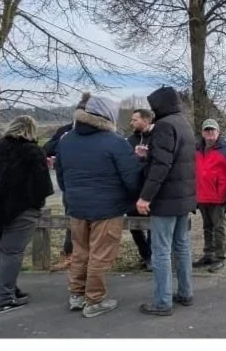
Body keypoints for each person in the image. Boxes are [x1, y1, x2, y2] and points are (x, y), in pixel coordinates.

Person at [55, 94, 143, 319]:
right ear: (108, 116)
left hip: (77, 207)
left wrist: (72, 196)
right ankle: (95, 299)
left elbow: (62, 177)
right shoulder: (116, 143)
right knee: (100, 255)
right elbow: (132, 179)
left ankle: (76, 294)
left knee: (80, 252)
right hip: (107, 208)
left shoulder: (66, 140)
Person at [0, 115, 53, 314]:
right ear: (32, 130)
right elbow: (42, 186)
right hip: (21, 209)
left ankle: (9, 288)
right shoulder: (33, 151)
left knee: (1, 251)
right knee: (12, 253)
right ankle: (5, 297)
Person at [135, 85, 197, 317]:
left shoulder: (163, 126)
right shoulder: (184, 124)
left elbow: (162, 166)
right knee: (182, 246)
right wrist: (149, 154)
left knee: (160, 251)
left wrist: (145, 197)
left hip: (166, 199)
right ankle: (186, 293)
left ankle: (162, 302)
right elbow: (177, 159)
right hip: (184, 198)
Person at [42, 92, 91, 269]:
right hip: (70, 184)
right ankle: (69, 254)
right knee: (72, 220)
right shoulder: (65, 130)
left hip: (91, 183)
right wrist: (61, 142)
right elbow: (46, 149)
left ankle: (90, 257)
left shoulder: (97, 133)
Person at [195, 119, 226, 272]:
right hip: (202, 194)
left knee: (219, 227)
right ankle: (208, 254)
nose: (210, 133)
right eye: (207, 130)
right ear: (202, 133)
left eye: (212, 130)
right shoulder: (197, 148)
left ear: (218, 132)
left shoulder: (225, 149)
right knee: (207, 226)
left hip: (219, 195)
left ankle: (220, 257)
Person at [124, 109, 155, 267]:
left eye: (135, 120)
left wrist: (146, 157)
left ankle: (152, 257)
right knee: (133, 225)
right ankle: (145, 254)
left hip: (150, 190)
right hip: (133, 190)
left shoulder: (156, 138)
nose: (131, 123)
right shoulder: (129, 141)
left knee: (152, 226)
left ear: (146, 120)